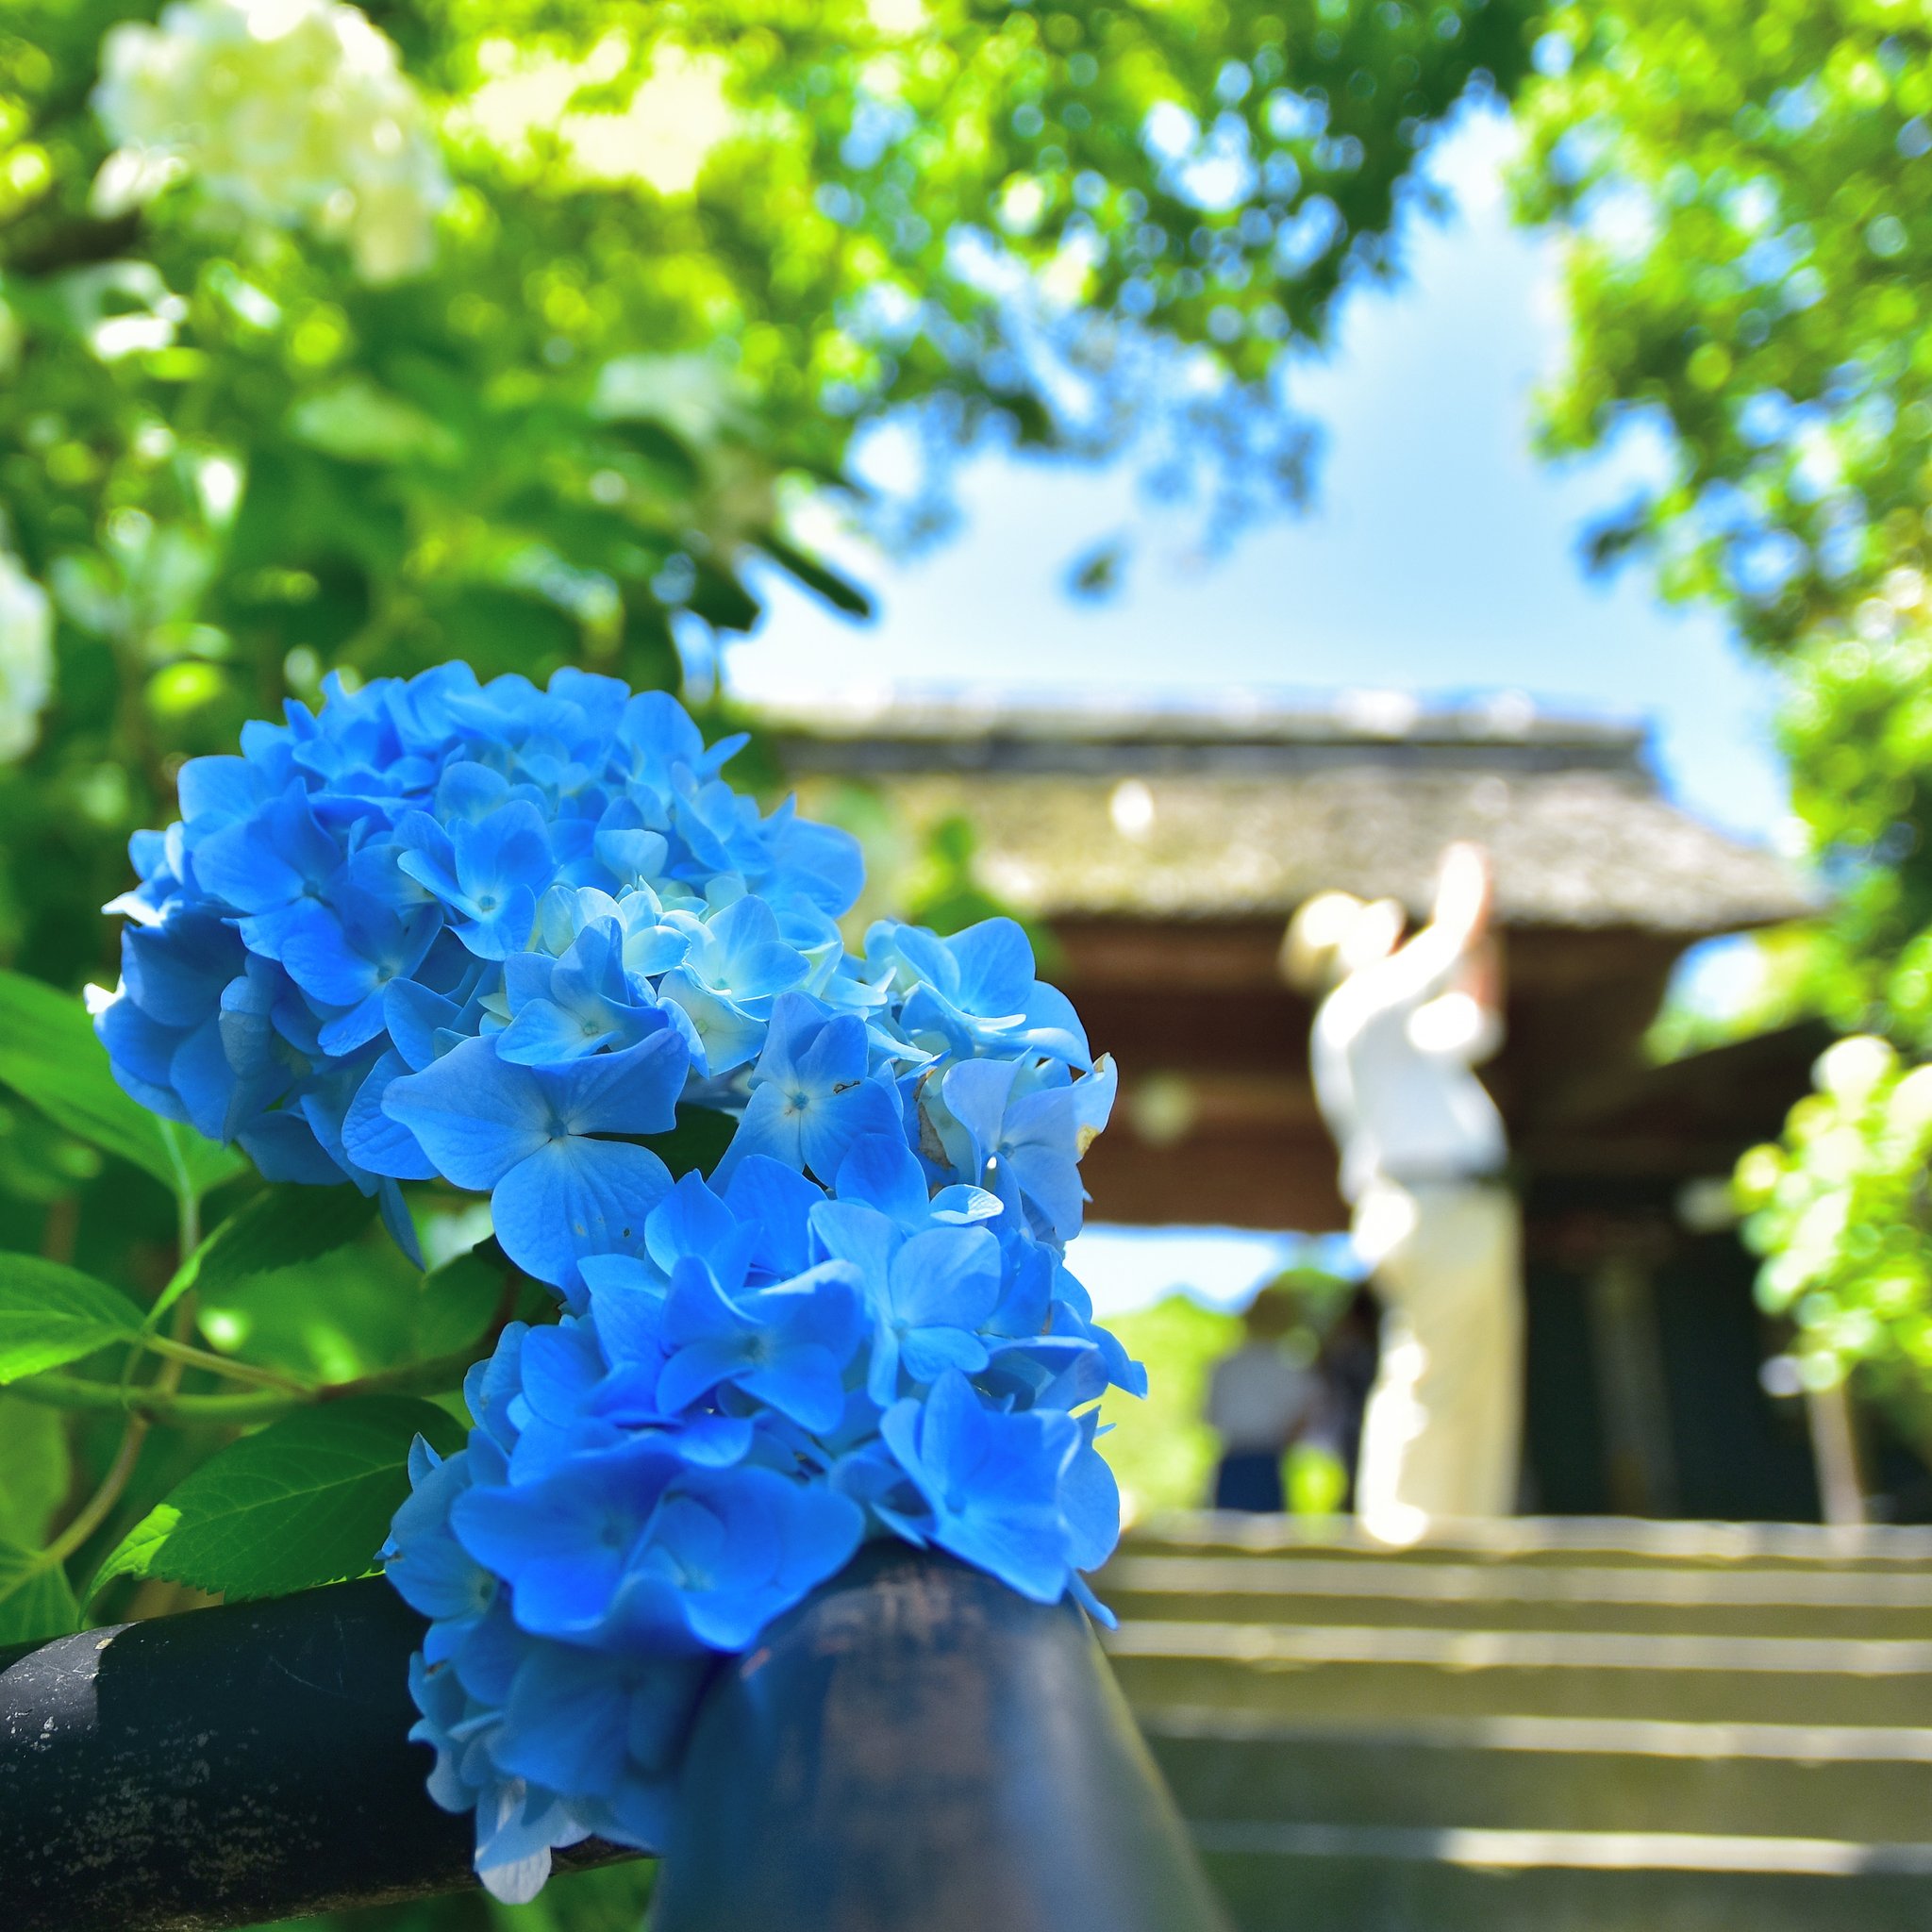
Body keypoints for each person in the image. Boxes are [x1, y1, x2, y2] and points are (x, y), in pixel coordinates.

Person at [1282, 843, 1523, 1544]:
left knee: (1470, 1376)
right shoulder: (1362, 1007)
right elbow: (1454, 933)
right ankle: (1403, 1533)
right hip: (1430, 1206)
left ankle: (1459, 1530)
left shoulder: (1396, 1029)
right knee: (1431, 1373)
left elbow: (1480, 1015)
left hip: (1456, 1205)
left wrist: (1483, 935)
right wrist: (1468, 871)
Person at [1205, 1286, 1317, 1512]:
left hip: (1235, 1463)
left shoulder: (1225, 1366)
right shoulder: (1289, 1367)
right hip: (1266, 1463)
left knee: (1226, 1538)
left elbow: (1209, 1418)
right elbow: (1304, 1417)